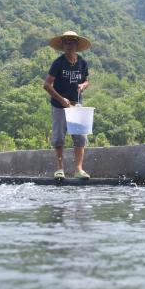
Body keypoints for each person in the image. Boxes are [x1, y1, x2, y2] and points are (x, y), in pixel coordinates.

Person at [42, 30, 91, 180]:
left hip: (76, 105)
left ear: (77, 44)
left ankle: (79, 169)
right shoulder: (58, 63)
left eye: (72, 42)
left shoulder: (82, 62)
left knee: (80, 138)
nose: (69, 45)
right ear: (62, 45)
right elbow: (47, 85)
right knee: (58, 138)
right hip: (59, 105)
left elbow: (87, 80)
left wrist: (83, 85)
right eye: (66, 42)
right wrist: (61, 99)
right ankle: (60, 169)